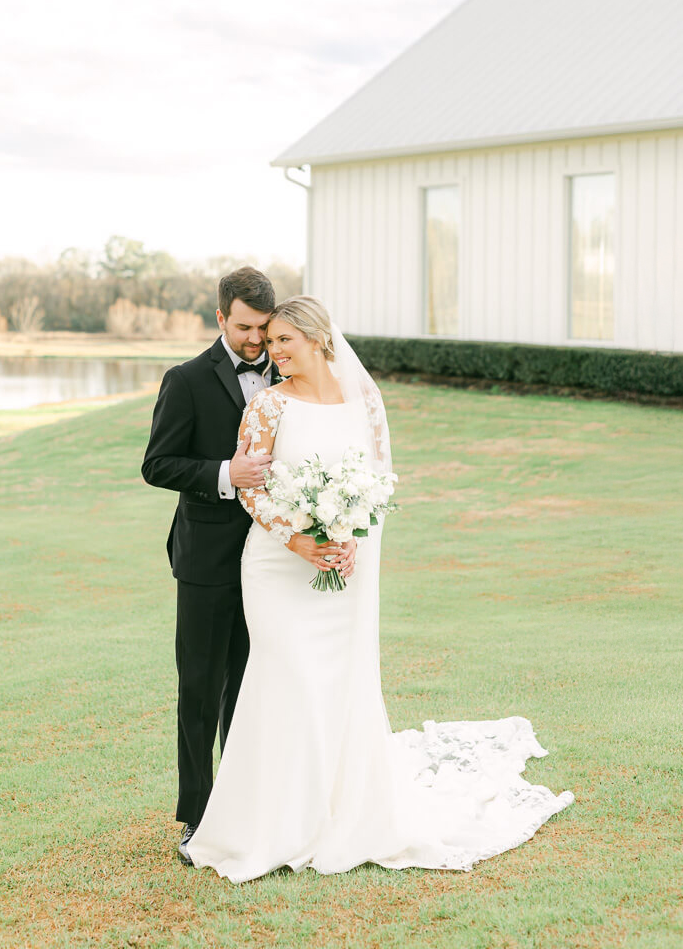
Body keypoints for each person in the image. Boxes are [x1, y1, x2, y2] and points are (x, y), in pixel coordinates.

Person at [184, 295, 575, 882]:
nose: (274, 350)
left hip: (344, 566)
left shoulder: (363, 402)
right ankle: (270, 823)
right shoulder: (267, 406)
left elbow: (377, 484)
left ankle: (340, 812)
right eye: (271, 340)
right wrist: (298, 540)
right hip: (275, 564)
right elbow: (250, 488)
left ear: (318, 339)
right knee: (284, 673)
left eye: (286, 339)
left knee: (337, 682)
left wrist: (351, 538)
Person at [140, 270, 355, 863]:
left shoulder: (289, 378)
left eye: (266, 328)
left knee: (255, 688)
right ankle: (197, 814)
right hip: (208, 560)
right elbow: (157, 464)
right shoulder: (184, 380)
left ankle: (250, 805)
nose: (258, 340)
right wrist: (222, 475)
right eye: (246, 328)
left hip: (276, 566)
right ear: (219, 319)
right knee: (202, 689)